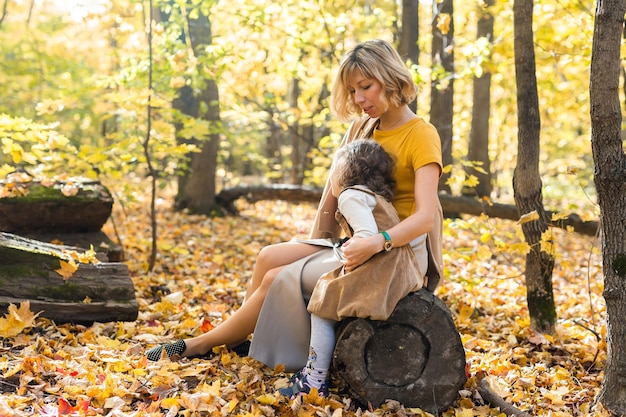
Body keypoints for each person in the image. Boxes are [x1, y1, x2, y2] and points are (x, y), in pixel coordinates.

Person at [145, 39, 443, 368]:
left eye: (366, 87)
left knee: (278, 278)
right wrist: (317, 242)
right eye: (352, 90)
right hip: (356, 240)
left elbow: (425, 218)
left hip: (391, 253)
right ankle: (246, 337)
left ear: (390, 78)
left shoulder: (421, 134)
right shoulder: (363, 127)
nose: (359, 99)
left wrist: (376, 242)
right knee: (269, 257)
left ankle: (202, 344)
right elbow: (335, 190)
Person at [278, 138, 424, 398]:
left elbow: (366, 236)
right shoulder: (373, 196)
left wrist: (348, 258)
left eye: (333, 169)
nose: (331, 177)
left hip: (382, 270)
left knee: (322, 303)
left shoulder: (350, 195)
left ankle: (315, 380)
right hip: (400, 268)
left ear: (348, 170)